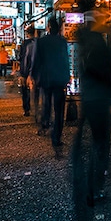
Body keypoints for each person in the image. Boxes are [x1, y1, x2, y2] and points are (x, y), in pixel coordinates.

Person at [69, 0, 111, 221]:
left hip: (89, 98)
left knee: (90, 146)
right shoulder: (97, 42)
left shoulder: (82, 39)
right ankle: (96, 186)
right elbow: (103, 70)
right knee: (100, 143)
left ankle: (92, 186)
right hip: (99, 99)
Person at [32, 14, 69, 157]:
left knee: (46, 103)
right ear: (58, 28)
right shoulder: (62, 42)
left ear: (48, 27)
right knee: (59, 110)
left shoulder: (41, 42)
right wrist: (67, 77)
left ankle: (45, 123)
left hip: (46, 79)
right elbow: (66, 60)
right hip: (59, 79)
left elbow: (37, 60)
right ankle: (56, 137)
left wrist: (34, 76)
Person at [17, 28, 37, 117]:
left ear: (27, 34)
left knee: (24, 91)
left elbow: (21, 58)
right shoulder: (38, 42)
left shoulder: (24, 44)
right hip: (36, 70)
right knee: (36, 90)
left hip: (25, 71)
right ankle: (36, 108)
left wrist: (22, 72)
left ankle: (26, 109)